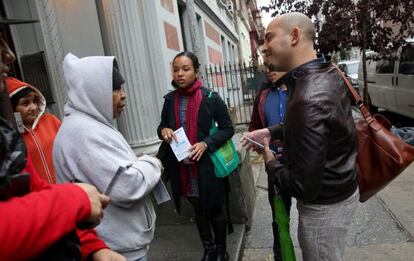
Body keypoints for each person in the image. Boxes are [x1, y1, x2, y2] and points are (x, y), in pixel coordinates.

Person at [0, 25, 121, 260]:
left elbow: (33, 191)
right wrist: (73, 200)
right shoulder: (77, 129)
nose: (9, 55)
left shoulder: (16, 132)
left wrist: (93, 246)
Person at [245, 12, 359, 261]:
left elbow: (303, 187)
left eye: (269, 38)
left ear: (294, 36)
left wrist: (270, 162)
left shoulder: (308, 95)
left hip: (323, 210)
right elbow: (319, 126)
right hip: (340, 191)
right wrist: (273, 131)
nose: (263, 48)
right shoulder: (326, 71)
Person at [53, 53, 163, 261]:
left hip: (119, 247)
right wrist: (153, 162)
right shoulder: (84, 133)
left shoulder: (92, 126)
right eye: (114, 89)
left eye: (121, 88)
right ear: (92, 92)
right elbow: (127, 186)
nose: (123, 95)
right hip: (114, 251)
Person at [157, 51, 234, 261]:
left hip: (207, 167)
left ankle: (221, 251)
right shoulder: (169, 100)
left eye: (185, 69)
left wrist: (205, 143)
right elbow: (162, 126)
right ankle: (208, 250)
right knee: (198, 209)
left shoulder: (211, 98)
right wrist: (164, 131)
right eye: (175, 69)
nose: (180, 74)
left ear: (197, 71)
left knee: (215, 208)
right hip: (183, 167)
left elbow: (228, 129)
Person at [246, 68, 290, 261]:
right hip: (274, 163)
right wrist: (260, 146)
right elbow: (254, 126)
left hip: (302, 162)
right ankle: (281, 255)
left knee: (310, 216)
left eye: (276, 68)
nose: (271, 71)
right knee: (279, 215)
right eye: (268, 68)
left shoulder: (300, 90)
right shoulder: (264, 94)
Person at [6, 77, 60, 183]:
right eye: (25, 103)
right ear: (12, 109)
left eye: (34, 101)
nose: (33, 107)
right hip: (39, 195)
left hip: (65, 188)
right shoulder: (11, 137)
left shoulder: (51, 121)